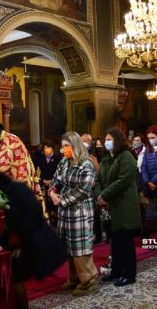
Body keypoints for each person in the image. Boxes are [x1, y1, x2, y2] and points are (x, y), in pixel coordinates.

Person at [0, 172, 66, 309]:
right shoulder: (12, 190)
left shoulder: (16, 191)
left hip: (29, 238)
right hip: (21, 238)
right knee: (14, 277)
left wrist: (18, 236)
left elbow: (32, 214)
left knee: (16, 278)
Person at [49, 131, 98, 296]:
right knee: (69, 246)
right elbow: (56, 179)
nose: (63, 149)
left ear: (75, 145)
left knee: (80, 246)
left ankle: (89, 281)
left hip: (79, 211)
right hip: (65, 211)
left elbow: (83, 189)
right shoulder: (64, 161)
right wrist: (52, 192)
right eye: (62, 146)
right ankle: (74, 277)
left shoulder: (86, 164)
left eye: (66, 146)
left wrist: (61, 199)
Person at [96, 127, 141, 286]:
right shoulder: (106, 158)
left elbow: (123, 181)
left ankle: (129, 274)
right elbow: (98, 179)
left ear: (118, 140)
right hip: (110, 206)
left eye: (110, 139)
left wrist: (104, 195)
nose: (106, 142)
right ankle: (116, 270)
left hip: (123, 205)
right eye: (105, 140)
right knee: (114, 242)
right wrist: (100, 195)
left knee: (125, 242)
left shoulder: (126, 156)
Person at [33, 140, 61, 226]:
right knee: (45, 206)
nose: (47, 149)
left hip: (55, 186)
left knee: (54, 206)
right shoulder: (40, 159)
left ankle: (55, 220)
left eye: (49, 147)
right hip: (43, 185)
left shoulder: (58, 158)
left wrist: (52, 181)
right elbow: (35, 172)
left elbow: (60, 173)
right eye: (45, 148)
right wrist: (43, 180)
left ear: (52, 148)